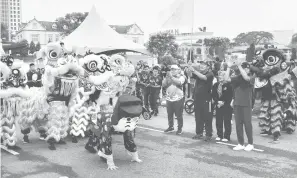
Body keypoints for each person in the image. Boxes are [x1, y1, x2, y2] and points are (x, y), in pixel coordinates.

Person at [225, 60, 255, 151]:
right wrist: (229, 67)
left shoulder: (251, 77)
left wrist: (239, 66)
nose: (245, 69)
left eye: (246, 68)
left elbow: (246, 78)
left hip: (246, 104)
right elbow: (227, 79)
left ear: (249, 69)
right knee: (238, 125)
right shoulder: (238, 77)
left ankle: (250, 143)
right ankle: (240, 143)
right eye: (243, 67)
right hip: (237, 104)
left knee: (247, 124)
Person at [189, 60, 214, 141]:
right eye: (201, 64)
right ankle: (199, 133)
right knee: (198, 117)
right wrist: (189, 67)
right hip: (197, 99)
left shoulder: (210, 74)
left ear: (208, 66)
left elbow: (203, 78)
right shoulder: (199, 73)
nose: (201, 66)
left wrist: (194, 70)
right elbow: (190, 75)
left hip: (207, 100)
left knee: (207, 117)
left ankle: (208, 134)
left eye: (204, 65)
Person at [212, 63, 233, 142]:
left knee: (227, 121)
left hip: (227, 105)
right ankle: (219, 135)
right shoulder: (215, 85)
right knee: (218, 120)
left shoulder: (229, 85)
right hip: (218, 105)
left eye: (222, 76)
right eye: (219, 76)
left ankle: (227, 136)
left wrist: (223, 102)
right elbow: (213, 95)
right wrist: (218, 102)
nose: (220, 77)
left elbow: (230, 95)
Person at [162, 65, 185, 135]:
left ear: (178, 70)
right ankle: (170, 127)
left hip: (178, 99)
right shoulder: (168, 77)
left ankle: (179, 128)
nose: (173, 71)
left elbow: (179, 82)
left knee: (179, 115)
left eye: (174, 69)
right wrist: (166, 78)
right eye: (171, 69)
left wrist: (171, 77)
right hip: (169, 99)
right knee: (170, 114)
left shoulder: (182, 76)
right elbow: (163, 85)